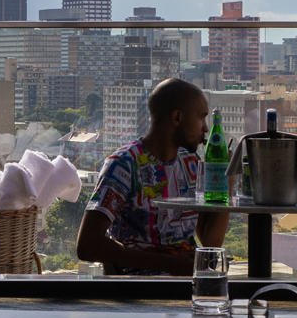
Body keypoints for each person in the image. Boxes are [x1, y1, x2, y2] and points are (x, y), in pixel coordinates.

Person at [75, 78, 228, 276]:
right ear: (177, 118)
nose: (206, 128)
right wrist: (169, 263)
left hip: (186, 284)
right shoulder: (124, 164)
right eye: (201, 117)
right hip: (139, 290)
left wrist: (226, 181)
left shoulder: (190, 163)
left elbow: (210, 242)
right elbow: (87, 245)